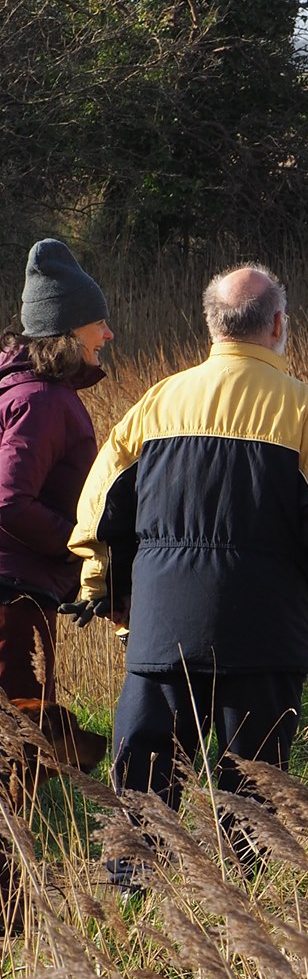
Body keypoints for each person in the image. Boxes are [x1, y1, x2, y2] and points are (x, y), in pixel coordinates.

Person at [70, 266, 308, 827]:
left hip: (163, 633)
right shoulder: (305, 413)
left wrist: (110, 596)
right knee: (252, 790)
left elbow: (98, 515)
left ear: (211, 325)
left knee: (144, 781)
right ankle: (244, 901)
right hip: (266, 634)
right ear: (278, 323)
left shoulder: (158, 403)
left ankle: (134, 893)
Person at [0, 242, 114, 713]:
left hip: (17, 589)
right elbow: (8, 499)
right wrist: (78, 543)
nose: (107, 334)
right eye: (98, 323)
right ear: (66, 331)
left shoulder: (19, 392)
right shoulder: (42, 401)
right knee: (21, 756)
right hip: (13, 601)